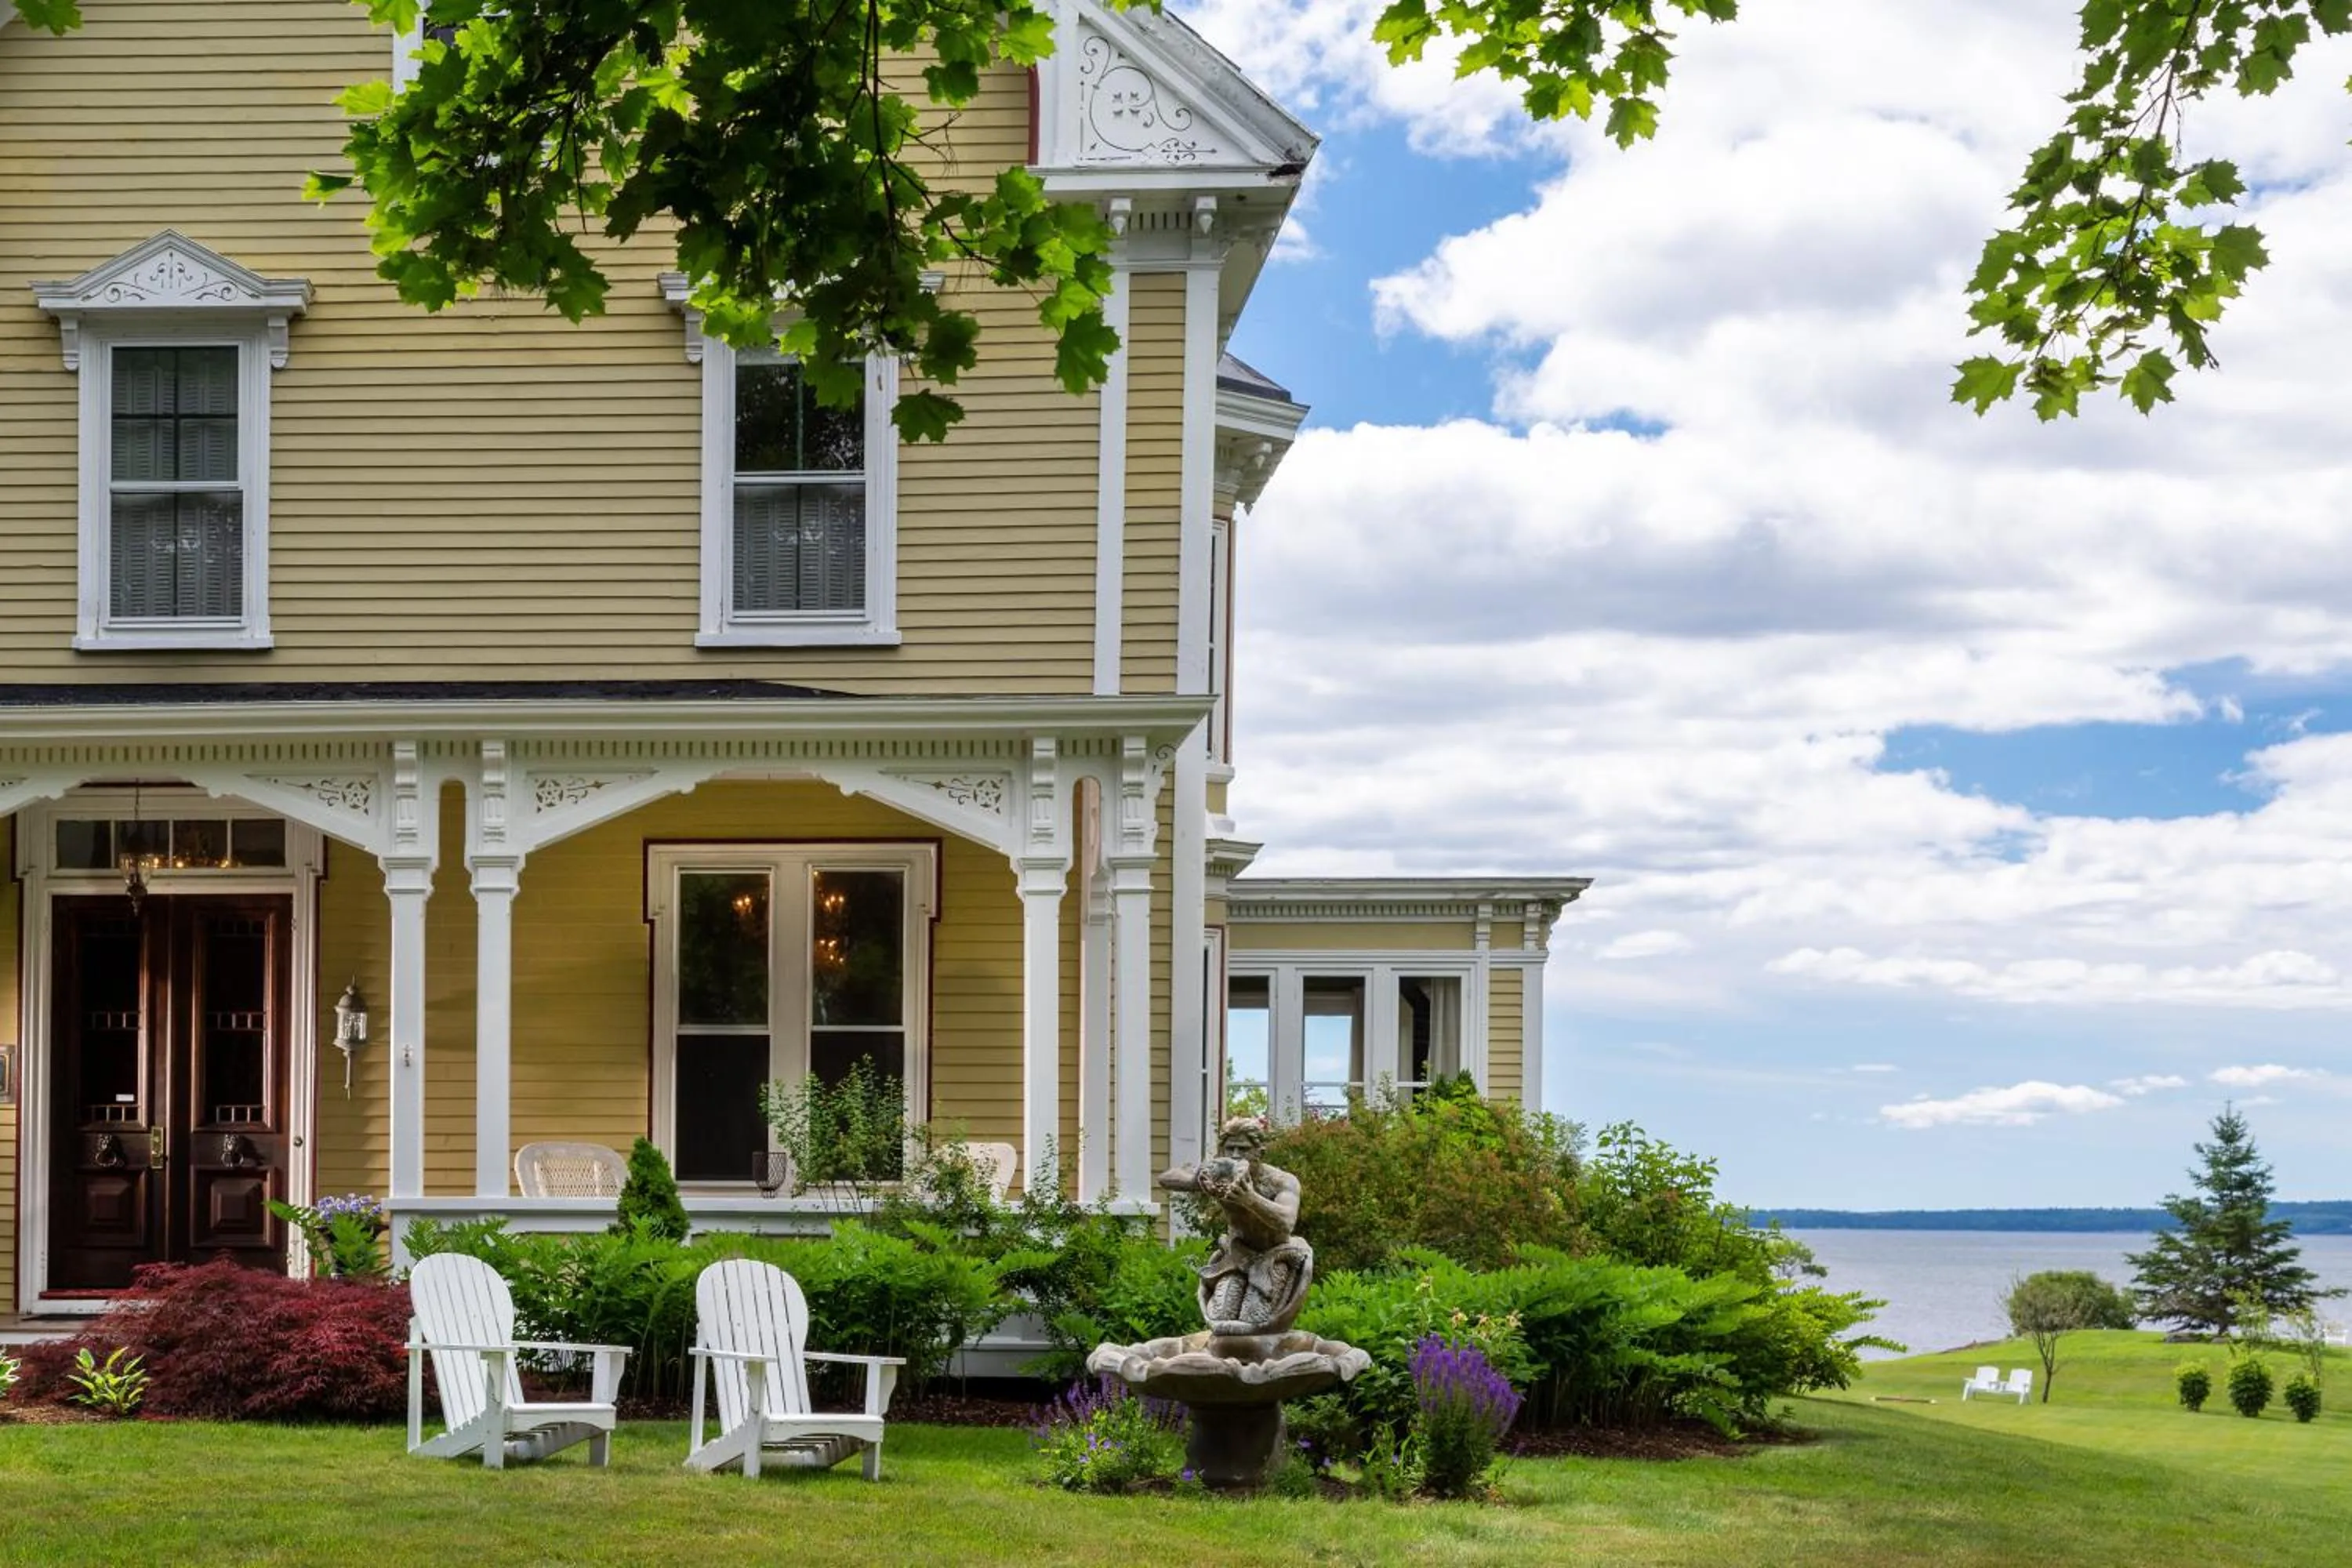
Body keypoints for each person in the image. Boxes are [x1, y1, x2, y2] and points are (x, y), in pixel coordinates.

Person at [1160, 1116, 1315, 1337]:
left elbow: (1287, 1221)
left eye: (1243, 1149)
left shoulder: (1281, 1181)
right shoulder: (1220, 1174)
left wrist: (1250, 1199)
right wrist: (1197, 1179)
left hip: (1274, 1255)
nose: (1234, 1156)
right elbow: (1166, 1178)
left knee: (1255, 1319)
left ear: (1259, 1153)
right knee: (1221, 1318)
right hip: (1238, 1255)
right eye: (1229, 1148)